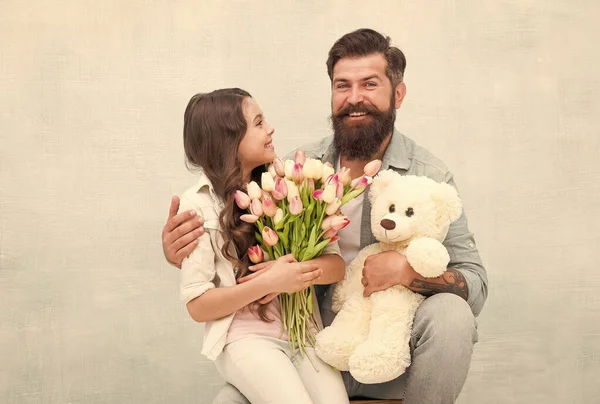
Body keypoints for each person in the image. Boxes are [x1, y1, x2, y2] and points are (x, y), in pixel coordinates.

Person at [162, 29, 488, 404]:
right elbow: (235, 227)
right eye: (342, 86)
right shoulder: (298, 171)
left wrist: (408, 273)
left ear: (398, 94)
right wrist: (184, 248)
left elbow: (476, 285)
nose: (354, 99)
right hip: (305, 340)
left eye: (369, 84)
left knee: (453, 315)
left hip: (385, 349)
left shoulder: (429, 175)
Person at [174, 88, 349, 404]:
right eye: (258, 123)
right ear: (229, 140)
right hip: (246, 339)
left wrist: (295, 273)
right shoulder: (197, 206)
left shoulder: (293, 187)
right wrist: (267, 283)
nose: (270, 129)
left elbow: (336, 267)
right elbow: (197, 305)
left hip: (304, 335)